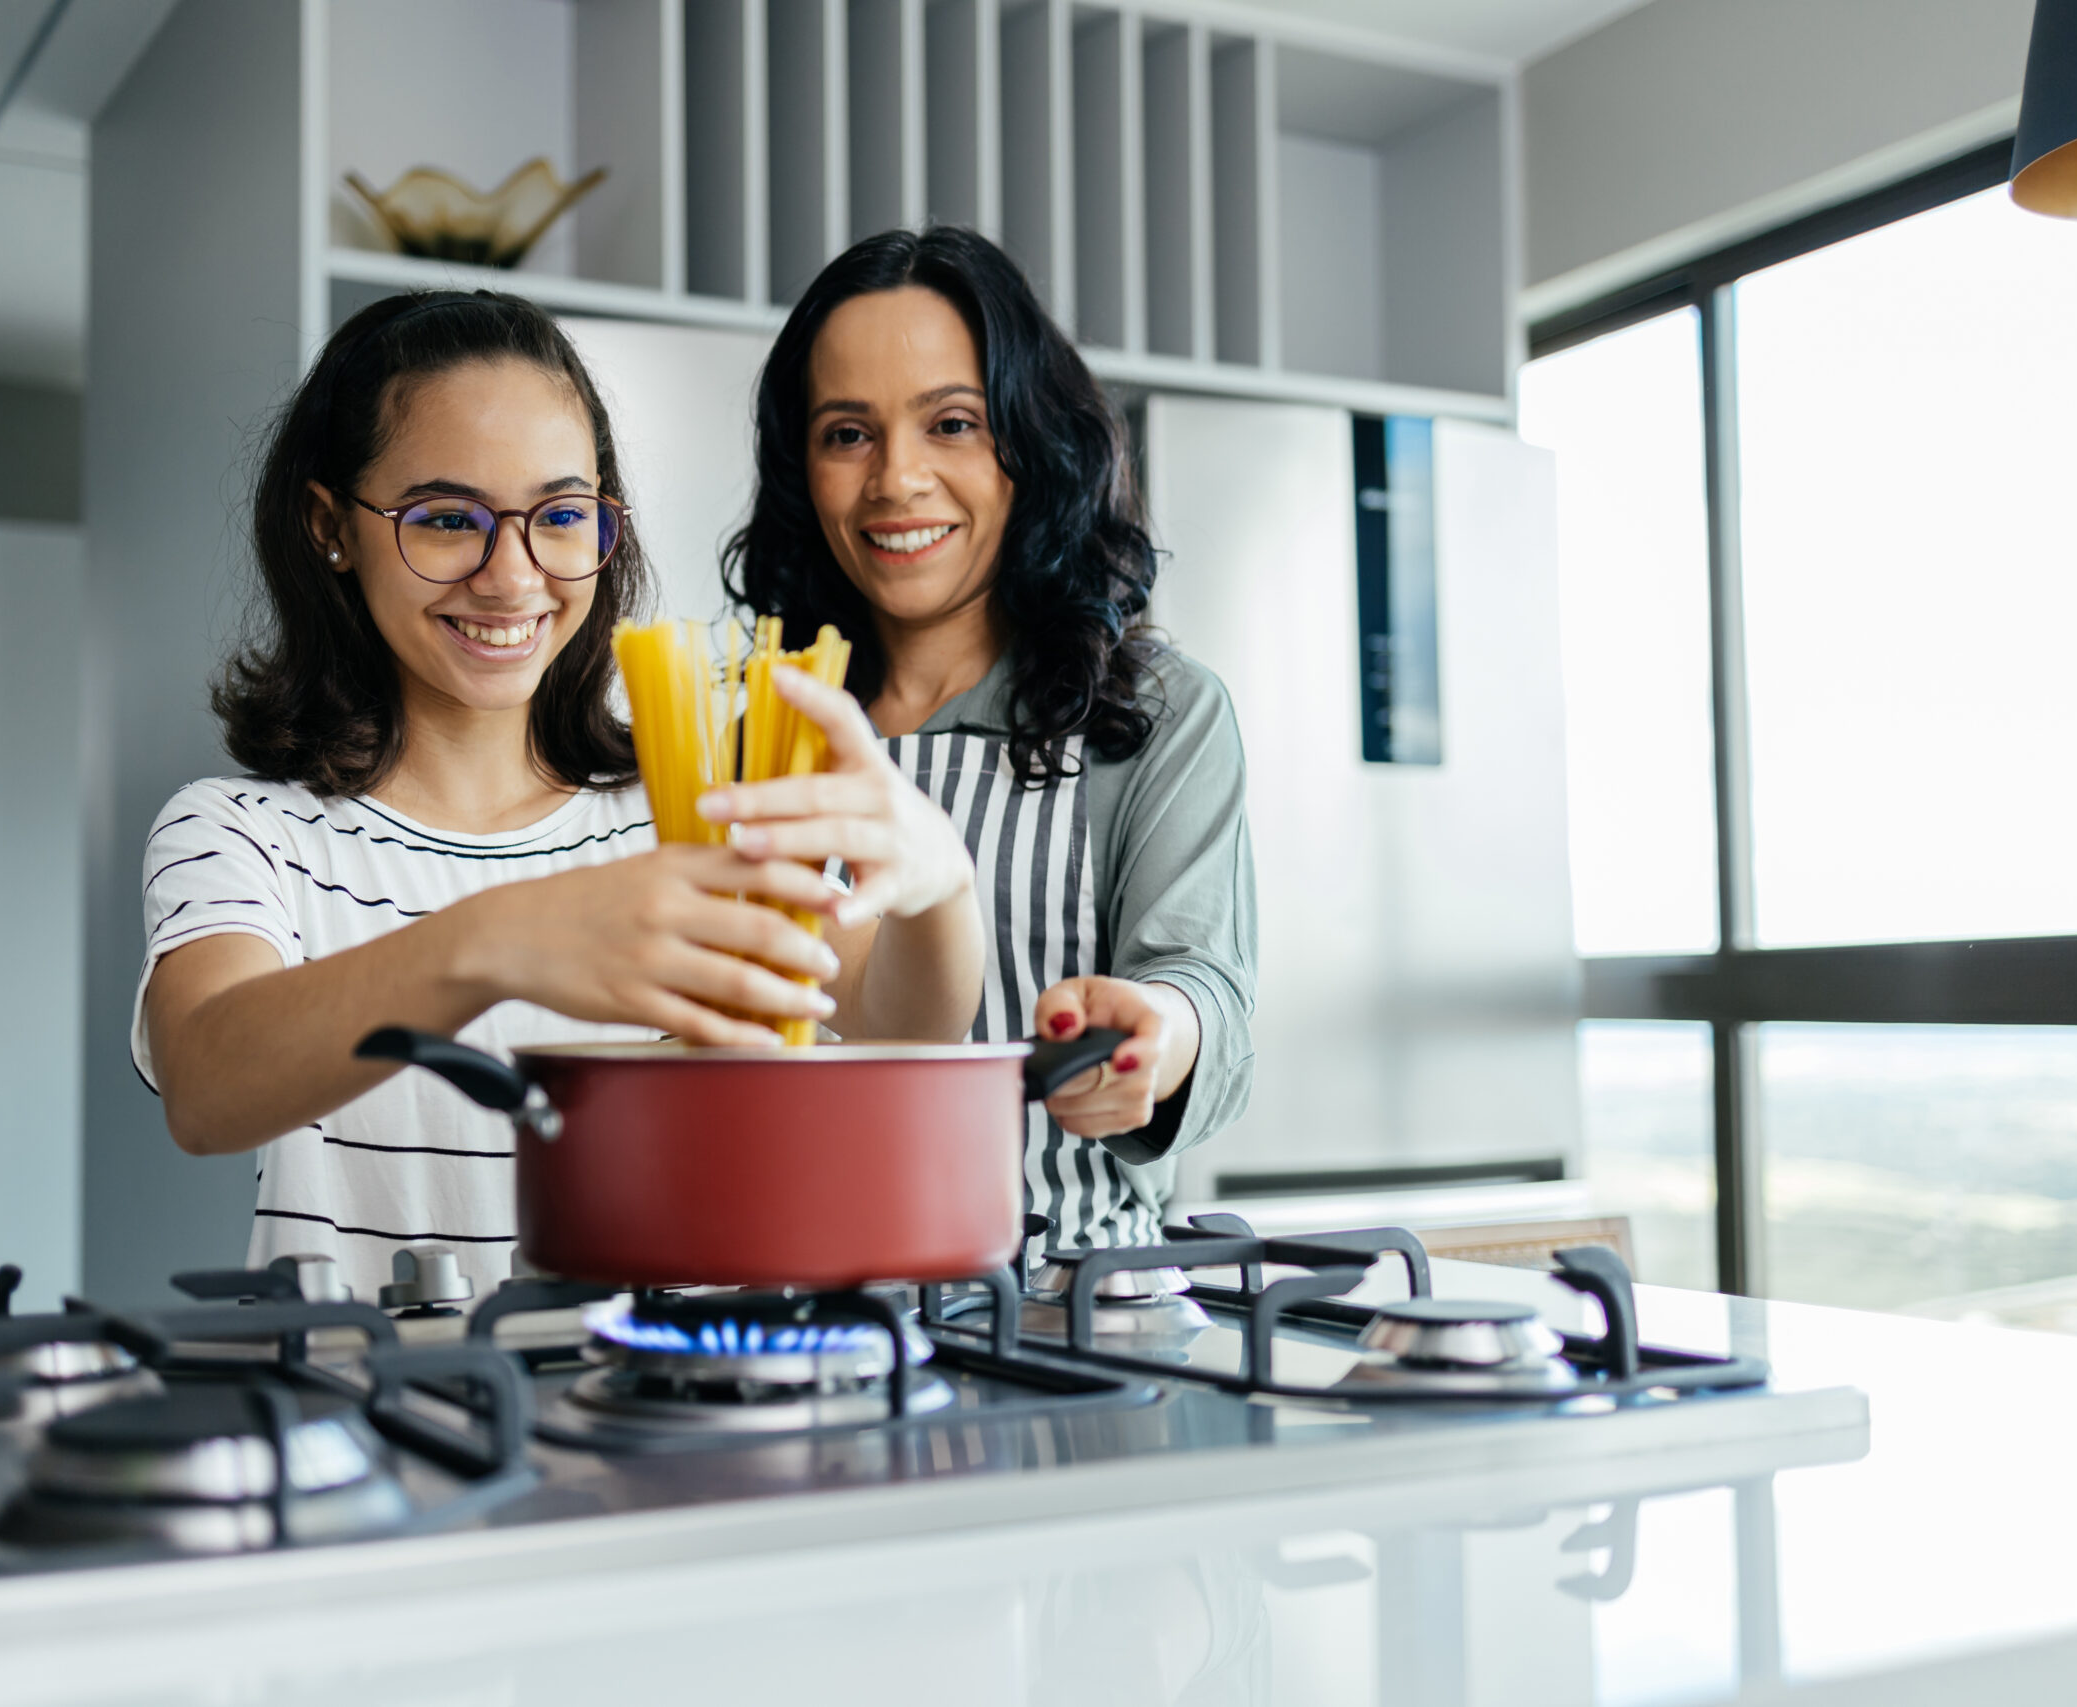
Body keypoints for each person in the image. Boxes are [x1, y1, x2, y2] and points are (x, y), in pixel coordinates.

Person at [135, 290, 982, 1300]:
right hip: (373, 1430)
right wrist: (495, 940)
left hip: (665, 1424)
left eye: (561, 517)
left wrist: (939, 886)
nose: (513, 574)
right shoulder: (245, 833)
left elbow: (902, 1022)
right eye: (447, 519)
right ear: (331, 528)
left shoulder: (681, 809)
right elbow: (207, 1085)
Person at [715, 228, 1257, 1257]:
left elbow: (1201, 981)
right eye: (846, 434)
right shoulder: (766, 730)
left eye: (951, 424)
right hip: (808, 1306)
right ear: (801, 468)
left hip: (1070, 1311)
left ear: (1028, 443)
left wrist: (1156, 1036)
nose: (895, 480)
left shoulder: (1156, 715)